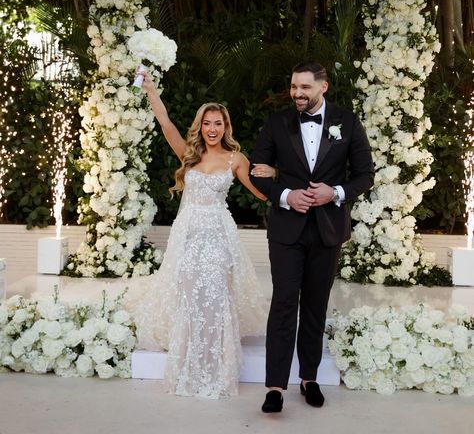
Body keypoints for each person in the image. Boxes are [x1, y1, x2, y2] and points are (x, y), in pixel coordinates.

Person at [131, 71, 273, 399]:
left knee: (215, 294)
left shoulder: (235, 158)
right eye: (207, 123)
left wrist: (277, 173)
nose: (212, 129)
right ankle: (188, 362)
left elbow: (262, 192)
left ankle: (217, 366)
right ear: (201, 126)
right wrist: (150, 89)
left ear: (226, 127)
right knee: (188, 294)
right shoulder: (189, 155)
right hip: (188, 235)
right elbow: (165, 122)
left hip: (218, 235)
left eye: (218, 124)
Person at [249, 61, 374, 413]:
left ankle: (309, 378)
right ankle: (274, 386)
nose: (297, 94)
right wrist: (287, 196)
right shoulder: (277, 122)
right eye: (293, 87)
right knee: (284, 303)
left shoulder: (347, 122)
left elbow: (365, 175)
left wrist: (333, 193)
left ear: (324, 87)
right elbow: (258, 173)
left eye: (304, 87)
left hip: (328, 229)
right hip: (287, 230)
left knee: (316, 305)